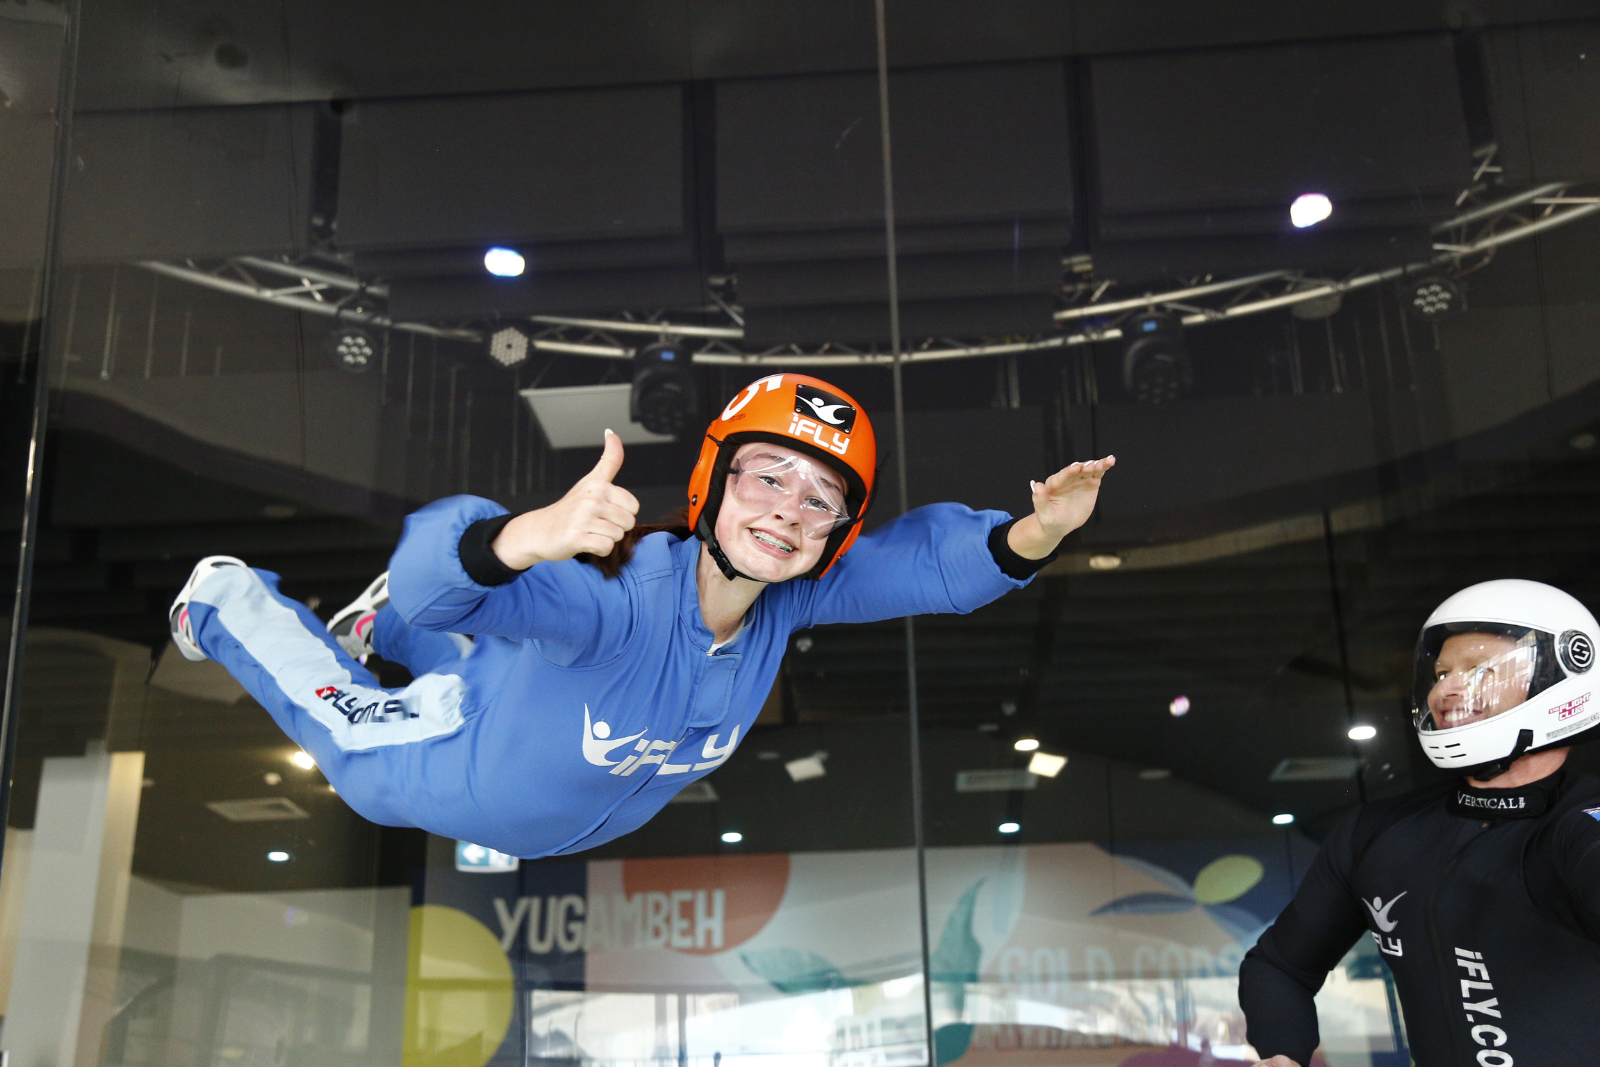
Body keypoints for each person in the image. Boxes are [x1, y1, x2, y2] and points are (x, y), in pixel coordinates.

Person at [167, 372, 1115, 857]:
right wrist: (527, 533)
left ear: (835, 532)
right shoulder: (610, 601)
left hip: (523, 724)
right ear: (712, 482)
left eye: (820, 498)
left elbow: (927, 570)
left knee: (465, 626)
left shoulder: (791, 596)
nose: (789, 508)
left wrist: (1037, 530)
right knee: (346, 739)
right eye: (767, 476)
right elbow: (432, 572)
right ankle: (225, 598)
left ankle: (394, 634)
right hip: (458, 754)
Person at [1240, 578, 1600, 1067]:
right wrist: (1282, 1053)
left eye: (1480, 669)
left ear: (1562, 675)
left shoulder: (1581, 824)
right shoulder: (1377, 833)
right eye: (1442, 672)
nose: (1448, 688)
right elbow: (1279, 966)